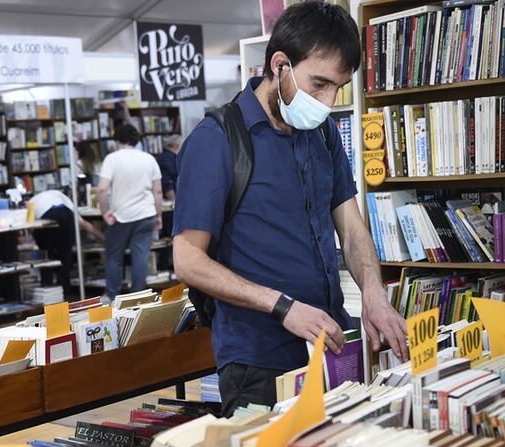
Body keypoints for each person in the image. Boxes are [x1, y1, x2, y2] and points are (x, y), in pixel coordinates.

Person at [173, 1, 409, 417]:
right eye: (318, 84)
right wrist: (283, 307)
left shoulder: (322, 133)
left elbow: (352, 230)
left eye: (338, 87)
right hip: (257, 360)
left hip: (331, 343)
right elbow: (188, 260)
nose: (327, 100)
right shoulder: (216, 140)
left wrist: (374, 292)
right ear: (279, 64)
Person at [95, 124, 162, 302]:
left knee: (114, 257)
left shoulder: (112, 159)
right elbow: (158, 191)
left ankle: (112, 295)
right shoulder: (149, 159)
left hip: (121, 216)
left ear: (117, 140)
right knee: (140, 256)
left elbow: (101, 189)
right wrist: (159, 215)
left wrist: (105, 212)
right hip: (146, 213)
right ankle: (138, 296)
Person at [29, 188, 102, 289]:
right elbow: (85, 225)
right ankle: (64, 289)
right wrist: (104, 238)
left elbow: (30, 225)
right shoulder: (66, 200)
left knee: (46, 255)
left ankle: (46, 287)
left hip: (44, 215)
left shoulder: (33, 200)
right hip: (65, 213)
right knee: (65, 255)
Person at [154, 135, 181, 270]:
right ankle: (167, 264)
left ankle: (168, 263)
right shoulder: (167, 159)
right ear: (177, 146)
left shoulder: (164, 157)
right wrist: (175, 202)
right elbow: (167, 183)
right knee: (170, 234)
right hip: (170, 205)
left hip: (169, 203)